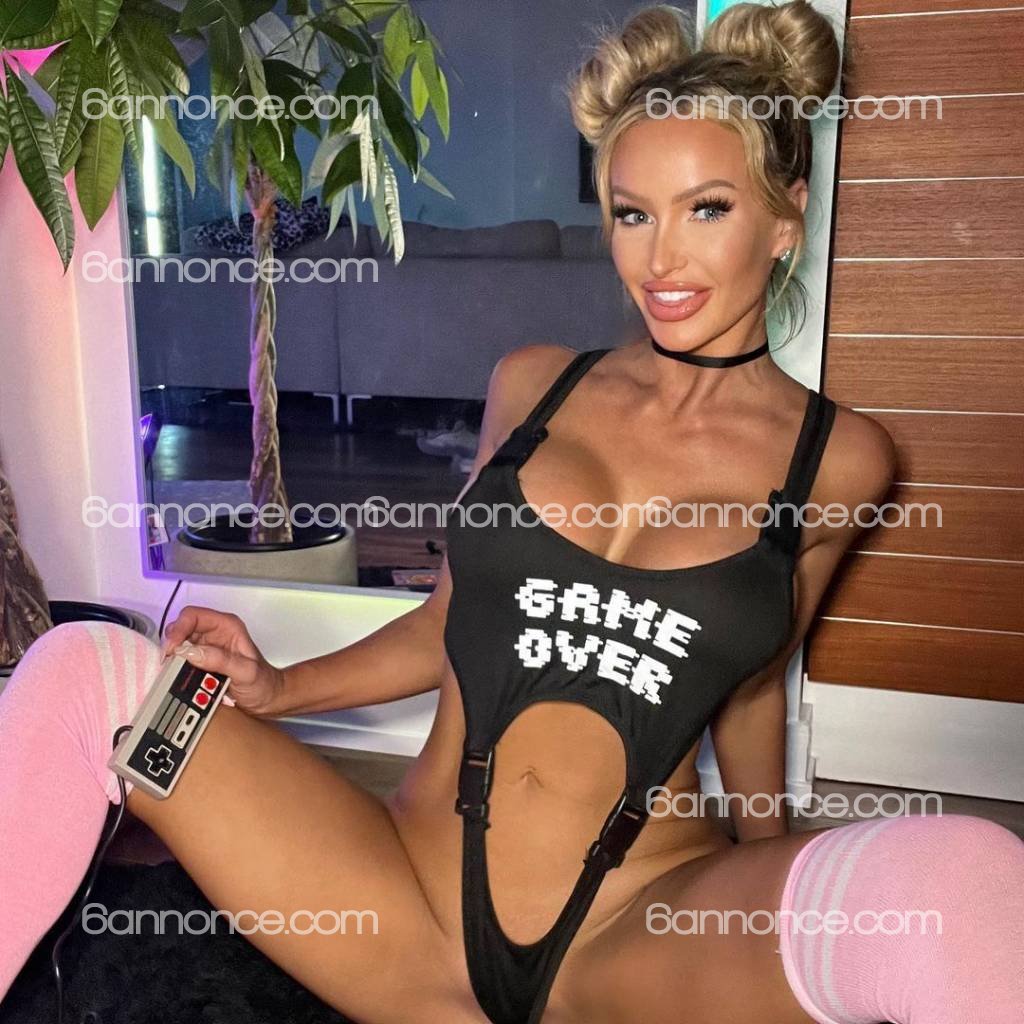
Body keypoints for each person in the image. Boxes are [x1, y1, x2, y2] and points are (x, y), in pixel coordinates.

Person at [2, 3, 1022, 1022]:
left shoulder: (839, 459)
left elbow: (754, 683)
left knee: (958, 878)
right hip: (402, 894)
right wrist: (279, 686)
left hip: (639, 926)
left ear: (785, 217)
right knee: (89, 672)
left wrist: (779, 880)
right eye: (632, 213)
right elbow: (449, 622)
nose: (660, 260)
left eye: (706, 209)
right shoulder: (533, 386)